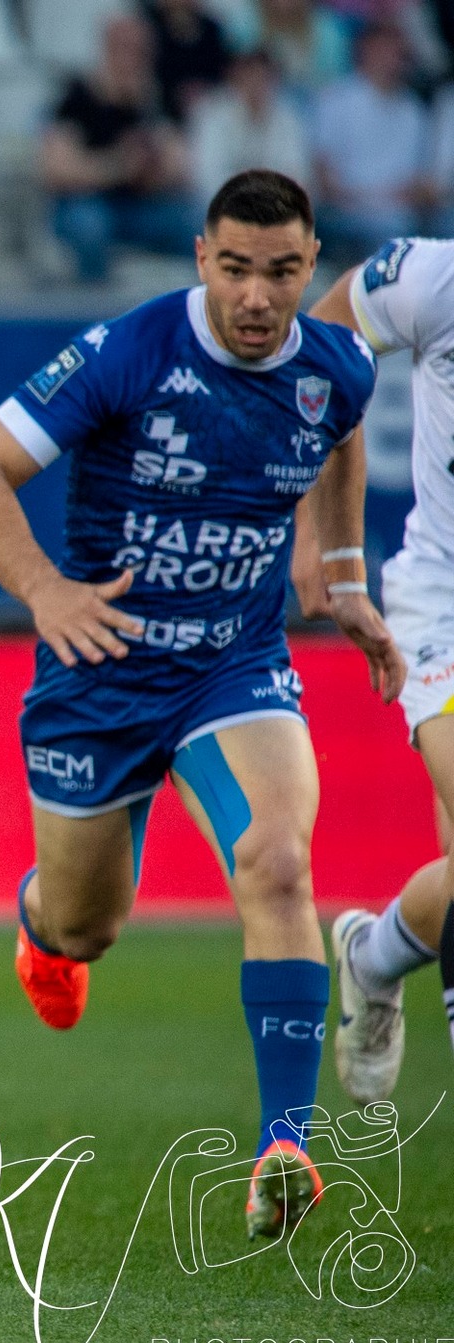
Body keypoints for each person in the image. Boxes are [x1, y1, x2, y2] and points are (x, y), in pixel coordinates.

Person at [0, 169, 402, 1242]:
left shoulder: (335, 366)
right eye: (234, 269)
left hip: (231, 668)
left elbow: (340, 433)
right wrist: (44, 589)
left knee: (278, 863)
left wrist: (336, 570)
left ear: (311, 264)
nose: (256, 296)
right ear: (201, 258)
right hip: (98, 670)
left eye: (280, 272)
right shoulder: (130, 352)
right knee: (88, 924)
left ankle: (283, 1143)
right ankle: (42, 927)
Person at [305, 234, 454, 1105]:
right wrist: (323, 536)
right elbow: (322, 348)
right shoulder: (432, 277)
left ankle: (373, 955)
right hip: (444, 606)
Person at [40, 14, 195, 286]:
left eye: (140, 50)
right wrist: (119, 166)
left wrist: (152, 166)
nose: (132, 58)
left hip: (144, 205)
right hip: (90, 203)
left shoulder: (156, 100)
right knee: (89, 227)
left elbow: (179, 166)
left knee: (197, 224)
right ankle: (94, 301)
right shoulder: (78, 98)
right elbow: (56, 170)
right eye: (124, 48)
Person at [312, 23, 433, 261]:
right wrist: (361, 200)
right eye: (383, 49)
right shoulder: (336, 99)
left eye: (397, 52)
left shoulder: (413, 110)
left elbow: (422, 182)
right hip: (346, 214)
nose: (391, 59)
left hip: (400, 217)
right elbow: (323, 173)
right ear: (365, 51)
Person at [189, 49, 312, 210]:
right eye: (250, 76)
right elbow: (208, 176)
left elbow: (297, 172)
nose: (256, 84)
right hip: (223, 209)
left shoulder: (287, 118)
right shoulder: (213, 114)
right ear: (236, 78)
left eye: (264, 78)